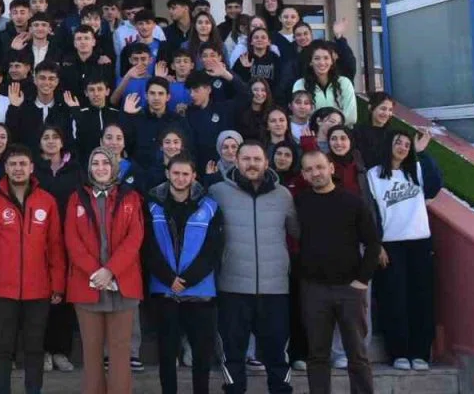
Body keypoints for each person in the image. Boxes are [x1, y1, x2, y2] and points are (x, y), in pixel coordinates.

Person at [208, 140, 299, 394]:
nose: (252, 164)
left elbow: (297, 232)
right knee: (233, 354)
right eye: (246, 159)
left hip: (275, 288)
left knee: (277, 355)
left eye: (257, 159)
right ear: (236, 161)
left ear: (266, 162)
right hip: (233, 286)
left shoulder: (283, 195)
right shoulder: (218, 192)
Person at [0, 145, 65, 394]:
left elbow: (55, 246)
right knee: (3, 348)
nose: (18, 169)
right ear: (5, 168)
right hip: (3, 290)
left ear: (32, 168)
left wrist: (57, 284)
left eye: (22, 164)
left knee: (34, 348)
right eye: (13, 164)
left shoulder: (47, 201)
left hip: (39, 289)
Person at [297, 148, 382, 393]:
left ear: (331, 168)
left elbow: (373, 243)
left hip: (349, 288)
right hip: (314, 289)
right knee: (317, 355)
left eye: (320, 167)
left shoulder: (352, 202)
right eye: (309, 169)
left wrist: (362, 280)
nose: (316, 173)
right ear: (303, 174)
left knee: (357, 354)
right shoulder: (300, 203)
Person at [64, 148, 145, 394]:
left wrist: (110, 270)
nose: (100, 168)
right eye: (95, 163)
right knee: (91, 353)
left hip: (123, 285)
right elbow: (72, 240)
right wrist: (95, 272)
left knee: (120, 354)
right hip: (87, 286)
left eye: (105, 163)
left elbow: (135, 239)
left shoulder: (130, 197)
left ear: (114, 167)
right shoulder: (77, 198)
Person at [144, 155, 224, 394]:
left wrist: (187, 279)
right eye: (176, 173)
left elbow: (213, 249)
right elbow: (148, 247)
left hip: (200, 293)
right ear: (167, 174)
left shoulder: (210, 206)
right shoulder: (151, 205)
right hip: (164, 291)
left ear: (194, 176)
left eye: (185, 174)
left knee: (202, 356)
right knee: (167, 355)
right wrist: (169, 279)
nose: (180, 178)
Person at [365, 130, 443, 372]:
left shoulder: (416, 170)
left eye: (407, 145)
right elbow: (370, 211)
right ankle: (398, 353)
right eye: (398, 142)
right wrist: (377, 244)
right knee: (393, 298)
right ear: (388, 145)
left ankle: (420, 353)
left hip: (419, 242)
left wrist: (423, 153)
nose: (402, 147)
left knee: (421, 298)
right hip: (390, 244)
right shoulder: (373, 174)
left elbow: (434, 186)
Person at [291, 43, 358, 126]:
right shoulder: (300, 84)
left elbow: (351, 117)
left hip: (340, 132)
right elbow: (300, 114)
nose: (322, 62)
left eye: (326, 58)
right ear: (310, 62)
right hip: (312, 131)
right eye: (317, 58)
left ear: (332, 61)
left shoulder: (344, 83)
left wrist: (329, 127)